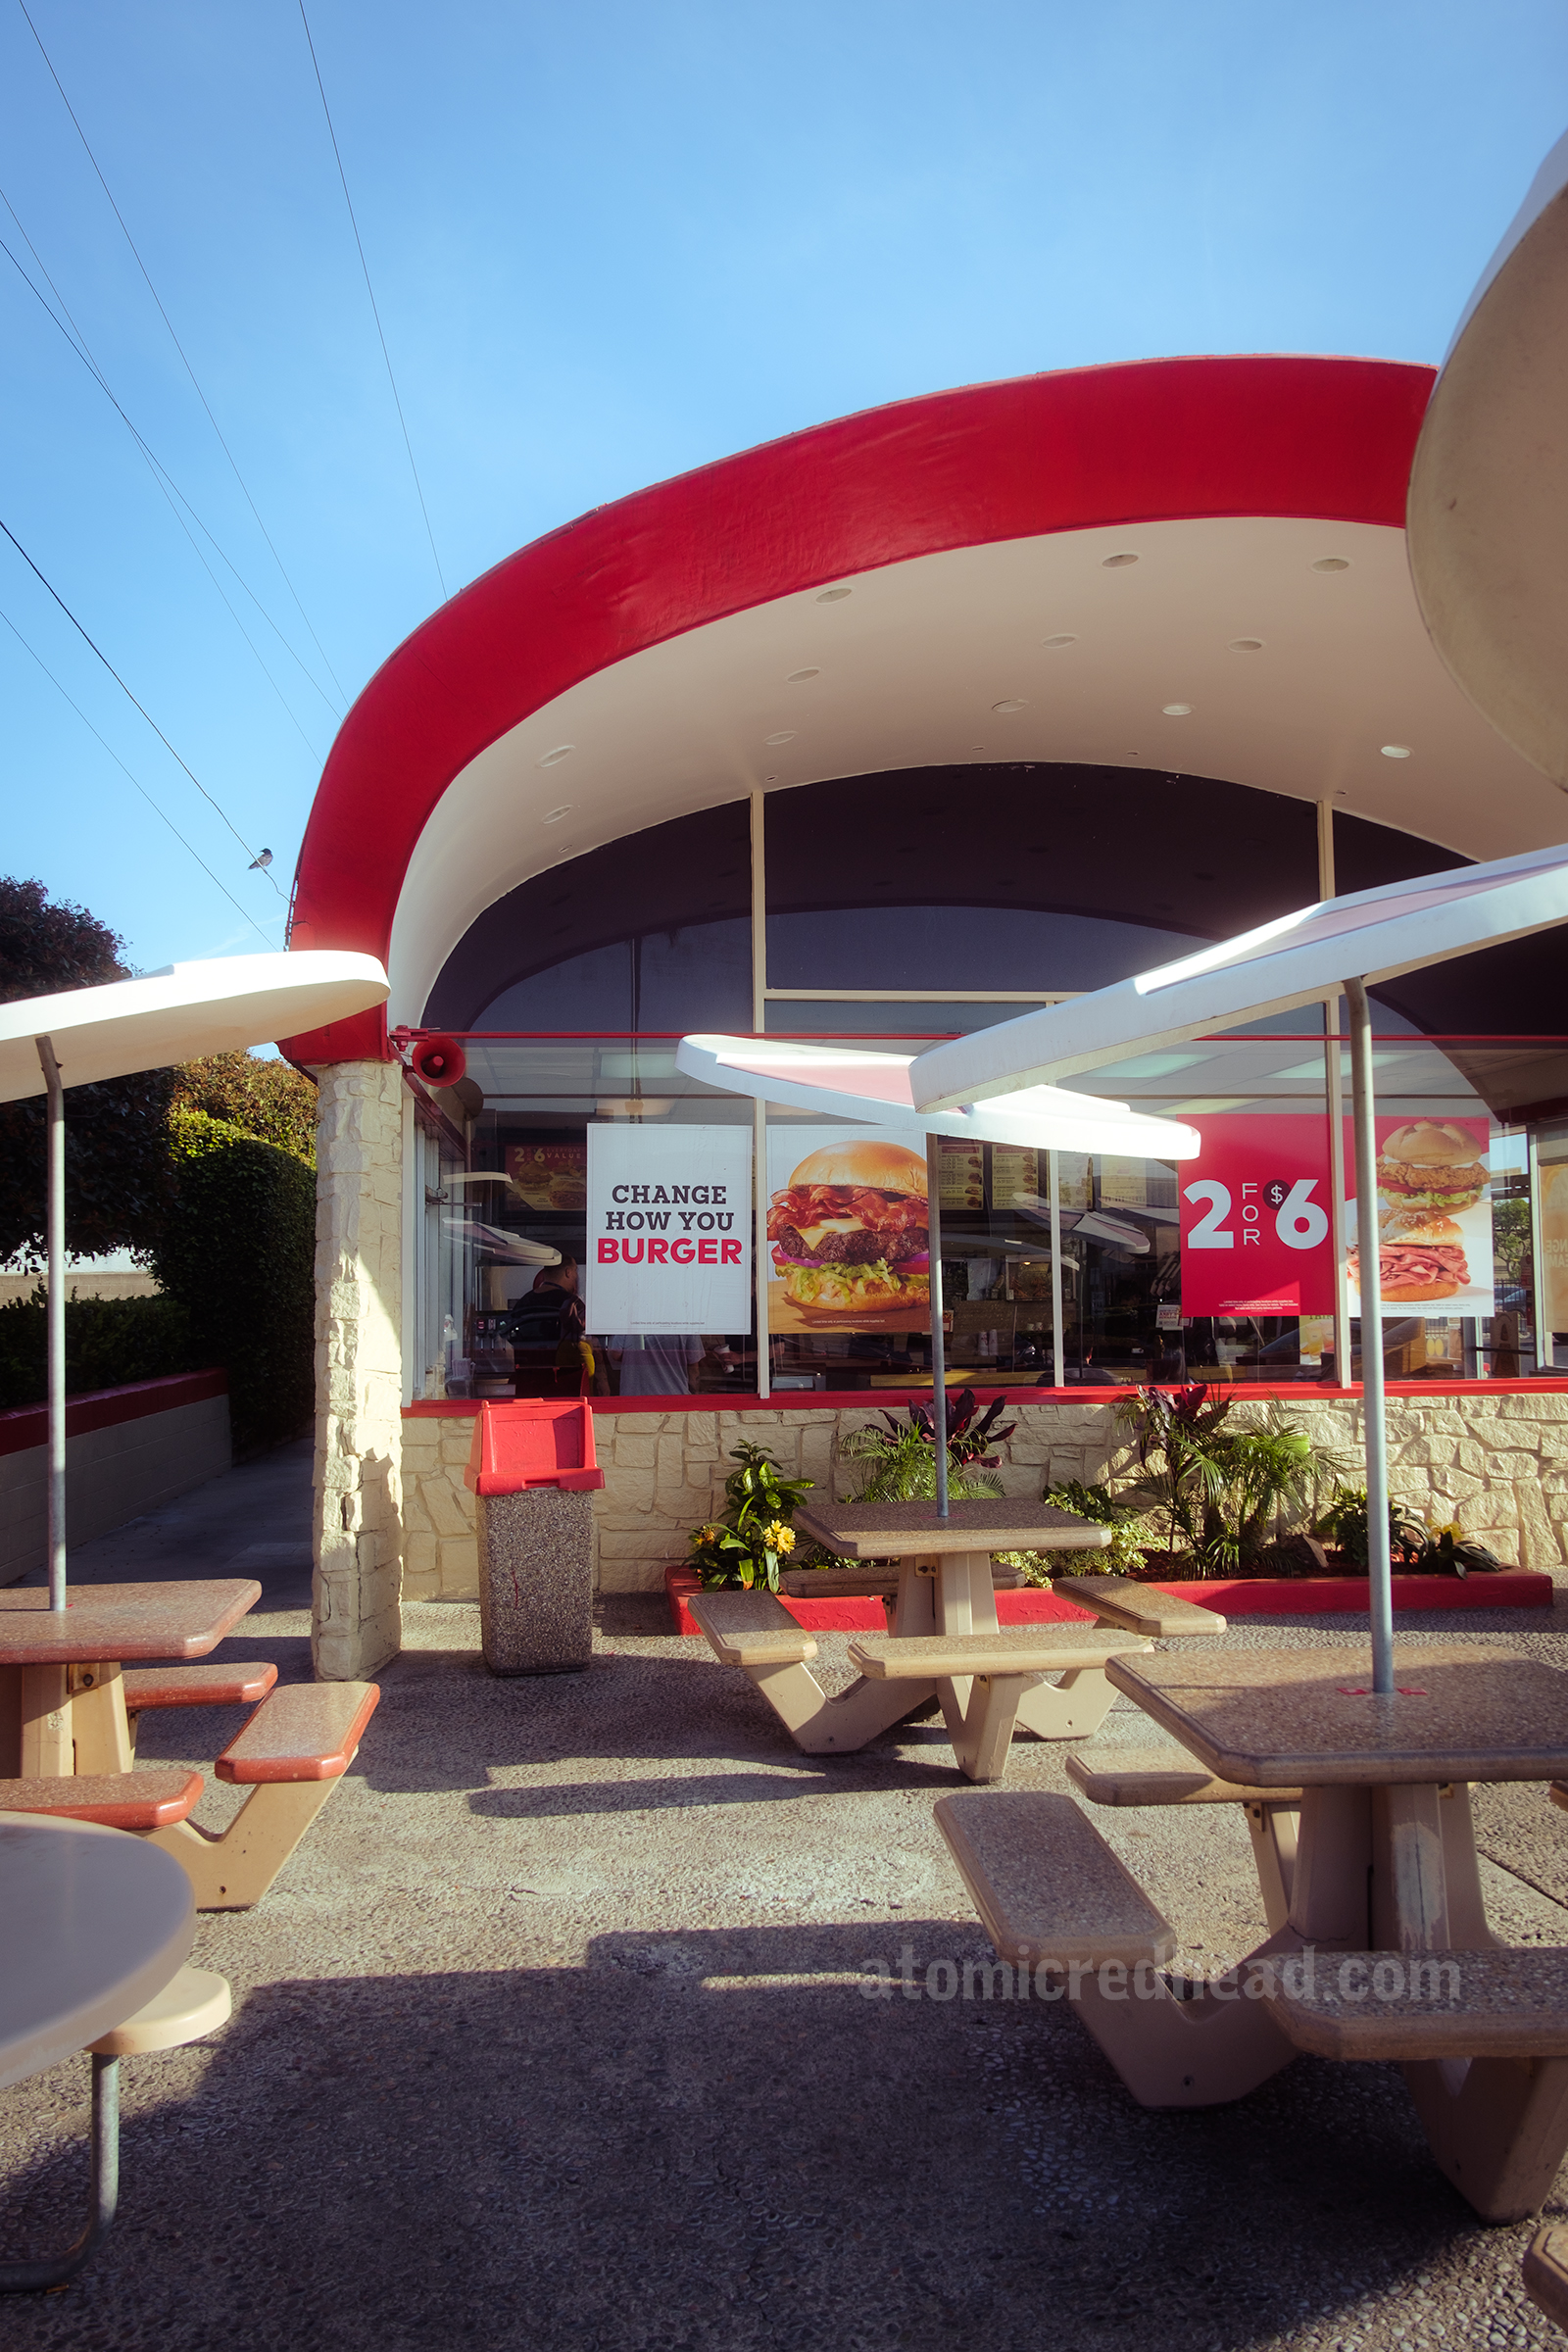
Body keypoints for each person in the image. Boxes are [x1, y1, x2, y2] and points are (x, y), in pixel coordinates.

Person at [506, 1258, 592, 1393]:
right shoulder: (572, 1303)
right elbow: (585, 1341)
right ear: (568, 1272)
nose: (576, 1276)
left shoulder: (523, 1303)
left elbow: (510, 1338)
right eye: (575, 1271)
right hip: (565, 1384)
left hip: (528, 1384)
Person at [607, 1333, 703, 1396]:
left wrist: (635, 1357)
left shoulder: (632, 1320)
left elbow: (615, 1354)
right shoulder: (687, 1322)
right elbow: (694, 1369)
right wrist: (695, 1394)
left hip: (635, 1397)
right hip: (675, 1396)